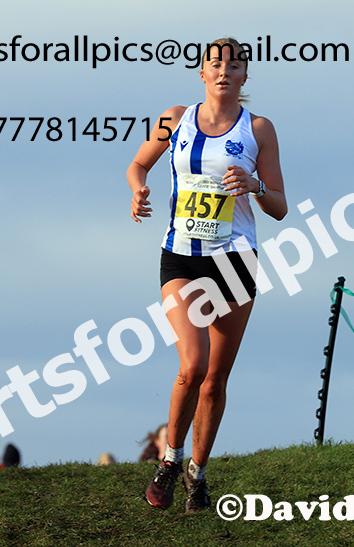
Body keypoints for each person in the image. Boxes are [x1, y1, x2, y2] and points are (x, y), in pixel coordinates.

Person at [126, 37, 287, 514]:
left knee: (215, 379)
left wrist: (256, 186)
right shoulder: (174, 117)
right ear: (201, 73)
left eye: (233, 65)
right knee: (191, 365)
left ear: (243, 77)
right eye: (214, 64)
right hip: (180, 256)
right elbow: (138, 164)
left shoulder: (259, 129)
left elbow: (279, 206)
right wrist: (139, 190)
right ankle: (169, 462)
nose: (223, 71)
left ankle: (199, 473)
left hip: (235, 259)